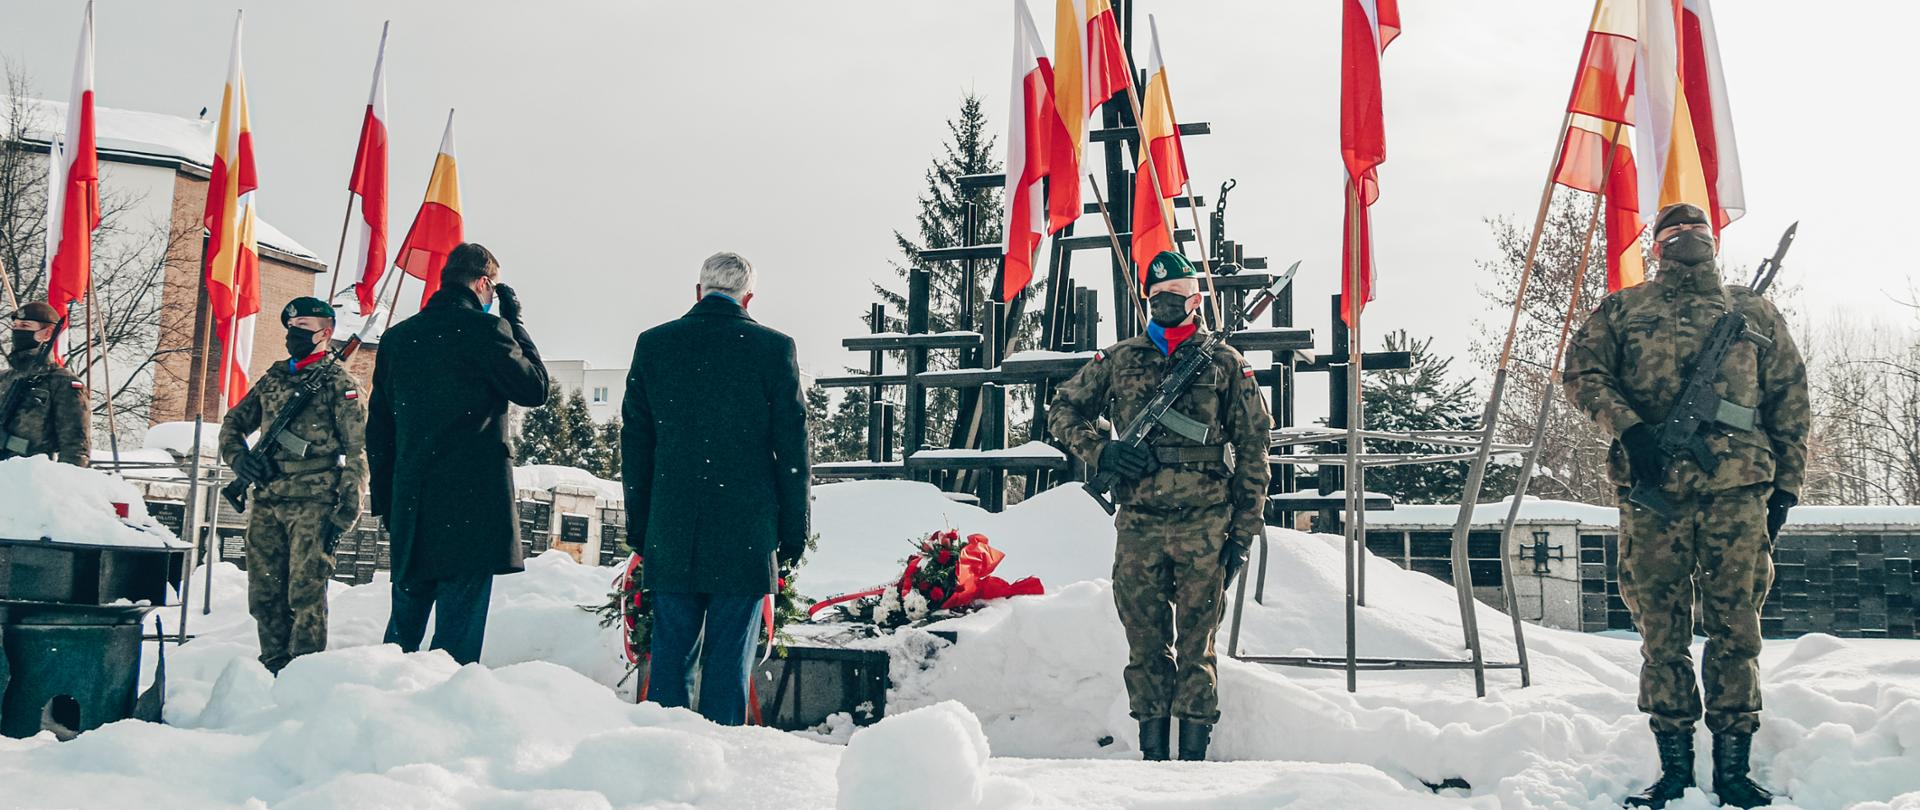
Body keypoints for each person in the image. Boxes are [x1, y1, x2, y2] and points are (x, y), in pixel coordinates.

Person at [1564, 202, 1809, 809]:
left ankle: (1733, 771)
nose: (1687, 238)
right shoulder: (1623, 309)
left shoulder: (1752, 311)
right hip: (1654, 498)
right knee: (1661, 633)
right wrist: (1630, 430)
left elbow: (1789, 400)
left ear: (1714, 240)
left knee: (1736, 630)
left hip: (1738, 494)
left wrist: (1786, 489)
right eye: (1674, 230)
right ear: (1656, 245)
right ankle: (1673, 770)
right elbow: (1581, 375)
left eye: (1697, 228)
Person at [1046, 251, 1273, 762]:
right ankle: (1152, 758)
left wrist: (1244, 528)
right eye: (1155, 298)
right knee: (1144, 645)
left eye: (1174, 297)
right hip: (1140, 524)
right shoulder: (1120, 359)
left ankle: (1191, 760)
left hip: (1206, 522)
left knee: (1198, 648)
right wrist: (1102, 450)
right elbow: (1062, 410)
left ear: (1194, 300)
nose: (1164, 306)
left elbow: (1254, 445)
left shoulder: (1225, 363)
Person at [622, 251, 809, 726]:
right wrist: (791, 532)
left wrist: (641, 527)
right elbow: (791, 449)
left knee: (669, 664)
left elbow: (637, 444)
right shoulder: (773, 348)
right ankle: (719, 771)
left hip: (673, 526)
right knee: (729, 667)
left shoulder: (654, 345)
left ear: (698, 291)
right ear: (748, 297)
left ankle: (662, 762)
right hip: (745, 533)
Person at [367, 243, 548, 665]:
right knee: (457, 638)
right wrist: (514, 322)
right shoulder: (486, 332)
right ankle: (441, 715)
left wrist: (388, 504)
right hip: (471, 506)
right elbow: (533, 388)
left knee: (402, 631)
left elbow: (379, 429)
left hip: (413, 501)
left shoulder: (399, 338)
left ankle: (382, 703)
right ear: (484, 283)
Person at [218, 296, 366, 674]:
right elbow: (234, 424)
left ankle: (302, 674)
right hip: (268, 498)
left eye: (303, 329)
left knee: (305, 593)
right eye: (291, 327)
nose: (293, 335)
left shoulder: (339, 383)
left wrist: (345, 512)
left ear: (326, 334)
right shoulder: (275, 378)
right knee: (264, 594)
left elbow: (359, 452)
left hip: (314, 503)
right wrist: (239, 459)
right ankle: (271, 664)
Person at [0, 301, 89, 467]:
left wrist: (61, 487)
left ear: (47, 333)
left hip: (31, 478)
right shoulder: (4, 379)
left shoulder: (63, 383)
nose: (18, 331)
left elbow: (74, 448)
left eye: (25, 326)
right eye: (15, 326)